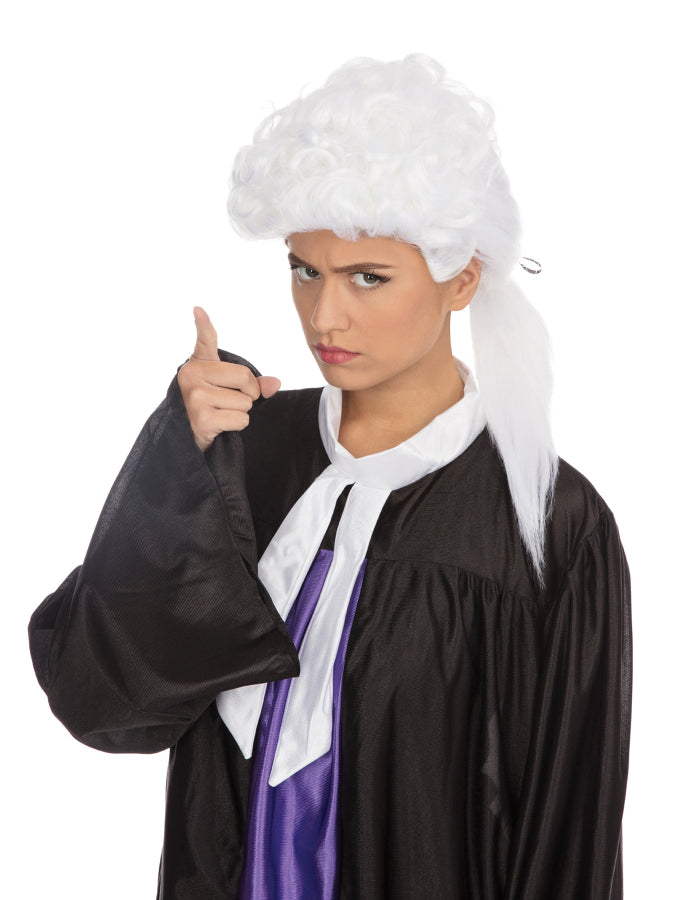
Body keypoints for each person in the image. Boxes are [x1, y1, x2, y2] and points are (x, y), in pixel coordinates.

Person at [28, 54, 632, 899]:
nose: (324, 315)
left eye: (367, 278)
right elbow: (102, 704)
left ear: (461, 277)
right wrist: (176, 467)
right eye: (304, 269)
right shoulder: (244, 452)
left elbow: (567, 828)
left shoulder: (544, 519)